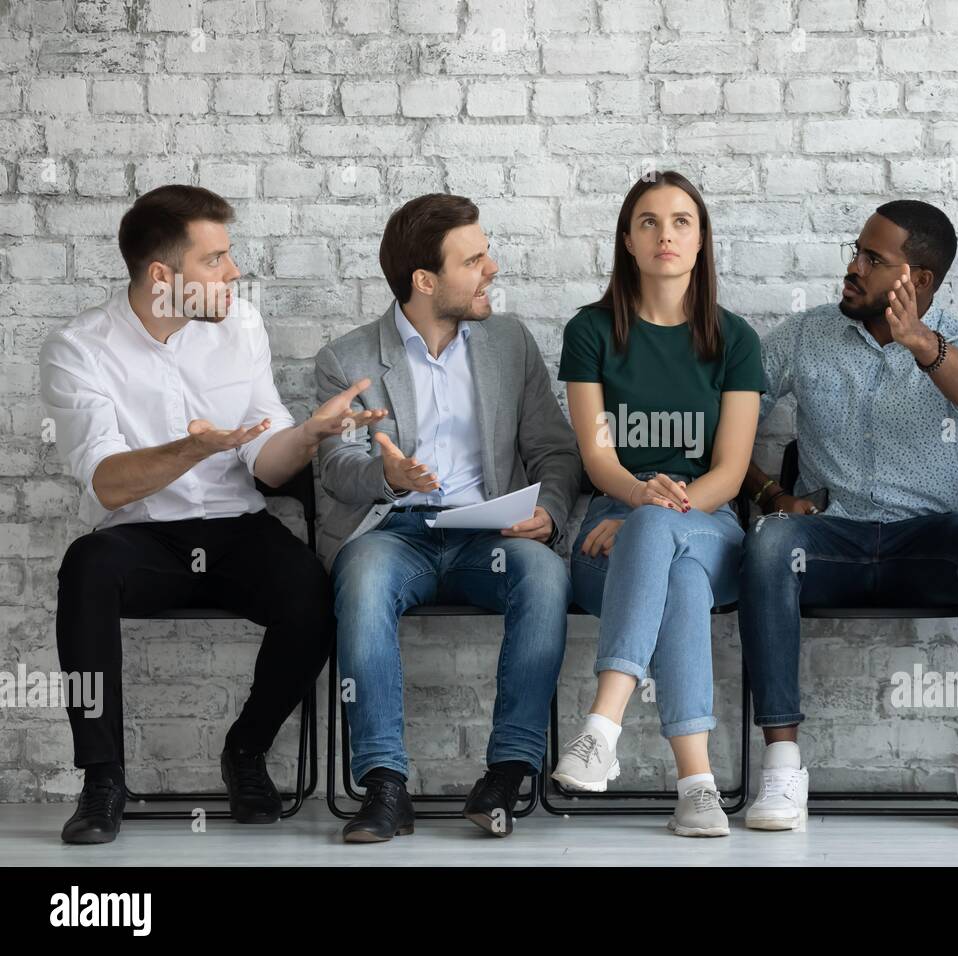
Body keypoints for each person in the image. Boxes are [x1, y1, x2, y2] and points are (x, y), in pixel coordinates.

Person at [41, 185, 355, 844]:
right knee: (86, 570)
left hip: (237, 529)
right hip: (144, 538)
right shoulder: (79, 349)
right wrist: (193, 448)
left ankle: (246, 749)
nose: (234, 273)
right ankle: (102, 778)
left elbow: (267, 463)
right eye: (215, 259)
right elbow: (106, 484)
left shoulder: (240, 326)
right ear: (164, 276)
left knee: (313, 589)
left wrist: (310, 435)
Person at [738, 200, 958, 832]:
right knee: (766, 543)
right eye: (855, 251)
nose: (853, 267)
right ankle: (782, 769)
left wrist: (921, 342)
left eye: (873, 258)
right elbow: (723, 423)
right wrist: (766, 494)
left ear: (917, 281)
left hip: (928, 544)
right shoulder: (806, 335)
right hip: (829, 541)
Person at [316, 193, 581, 842]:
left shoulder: (508, 343)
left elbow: (554, 449)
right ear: (425, 281)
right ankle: (383, 785)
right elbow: (331, 463)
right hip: (394, 531)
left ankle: (508, 772)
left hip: (488, 529)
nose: (492, 267)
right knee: (363, 582)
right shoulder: (346, 360)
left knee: (544, 577)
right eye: (475, 258)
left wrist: (548, 510)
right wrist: (388, 474)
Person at [551, 171, 763, 838]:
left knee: (667, 544)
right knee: (677, 578)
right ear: (628, 241)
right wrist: (637, 498)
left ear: (701, 242)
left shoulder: (736, 340)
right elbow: (597, 457)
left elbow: (729, 474)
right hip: (605, 538)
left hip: (709, 528)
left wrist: (652, 512)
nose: (664, 233)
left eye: (681, 221)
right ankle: (697, 786)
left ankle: (601, 727)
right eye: (648, 221)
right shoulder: (589, 332)